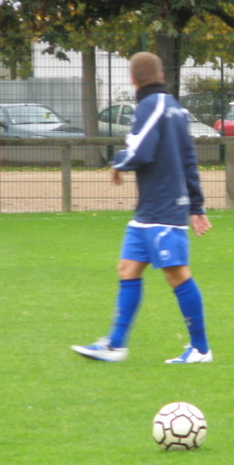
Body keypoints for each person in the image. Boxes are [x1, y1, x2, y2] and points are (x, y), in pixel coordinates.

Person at [71, 51, 213, 364]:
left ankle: (201, 349)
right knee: (128, 268)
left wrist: (118, 162)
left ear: (133, 79)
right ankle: (115, 345)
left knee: (177, 276)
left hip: (162, 210)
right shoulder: (175, 108)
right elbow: (189, 159)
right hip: (149, 211)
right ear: (159, 75)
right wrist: (197, 205)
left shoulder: (153, 106)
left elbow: (140, 150)